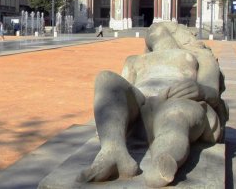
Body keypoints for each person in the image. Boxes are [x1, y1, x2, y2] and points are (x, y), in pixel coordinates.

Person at [79, 21, 227, 187]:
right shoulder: (134, 60)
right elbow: (123, 91)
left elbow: (213, 92)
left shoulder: (200, 57)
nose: (153, 29)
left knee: (175, 115)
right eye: (150, 29)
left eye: (160, 26)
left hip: (178, 101)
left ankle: (164, 159)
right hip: (141, 106)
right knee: (106, 79)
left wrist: (201, 90)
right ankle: (113, 151)